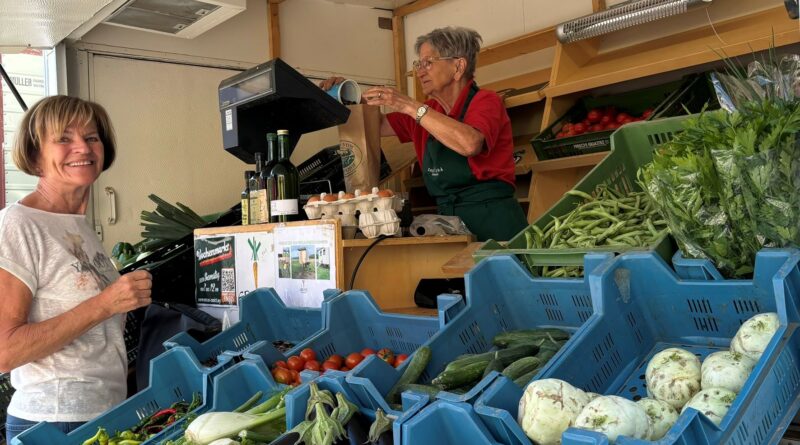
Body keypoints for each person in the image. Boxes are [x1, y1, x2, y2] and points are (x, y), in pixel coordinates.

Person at [0, 95, 153, 443]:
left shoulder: (77, 226)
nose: (82, 147)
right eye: (64, 138)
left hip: (103, 413)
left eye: (92, 137)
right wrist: (106, 304)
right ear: (36, 153)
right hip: (55, 422)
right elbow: (5, 352)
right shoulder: (18, 225)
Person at [320, 26, 528, 241]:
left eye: (428, 62)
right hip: (450, 221)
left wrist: (409, 105)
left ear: (458, 66)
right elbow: (376, 125)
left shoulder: (486, 101)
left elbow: (470, 144)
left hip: (494, 222)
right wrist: (345, 96)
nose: (420, 71)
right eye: (418, 64)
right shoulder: (429, 111)